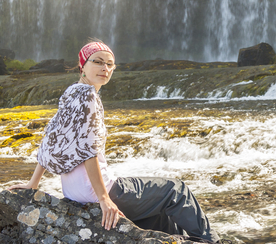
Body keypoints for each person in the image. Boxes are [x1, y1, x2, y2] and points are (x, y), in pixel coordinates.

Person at [8, 40, 221, 243]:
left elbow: (50, 141)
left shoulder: (71, 93)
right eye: (98, 61)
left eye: (110, 64)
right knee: (176, 190)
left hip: (73, 192)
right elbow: (88, 151)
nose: (105, 68)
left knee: (157, 217)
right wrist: (104, 199)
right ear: (82, 65)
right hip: (98, 190)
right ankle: (212, 242)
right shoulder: (89, 98)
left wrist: (33, 184)